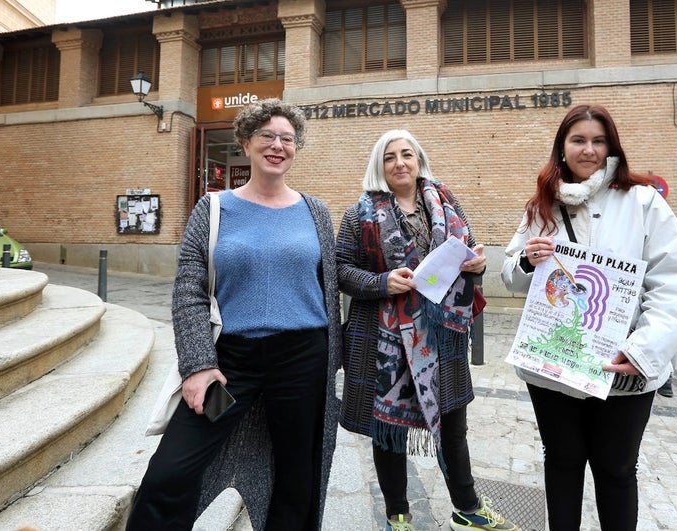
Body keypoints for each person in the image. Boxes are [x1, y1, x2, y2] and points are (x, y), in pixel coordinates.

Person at [126, 98, 341, 530]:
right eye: (267, 136)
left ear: (296, 147)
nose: (278, 145)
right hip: (230, 363)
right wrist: (198, 365)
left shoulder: (314, 211)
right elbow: (189, 288)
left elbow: (338, 276)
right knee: (172, 469)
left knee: (297, 473)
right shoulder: (215, 208)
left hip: (303, 358)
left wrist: (400, 278)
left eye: (287, 138)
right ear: (245, 143)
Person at [501, 104, 677, 531]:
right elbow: (510, 274)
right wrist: (527, 262)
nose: (587, 149)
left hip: (621, 367)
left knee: (616, 470)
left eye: (597, 140)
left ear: (611, 146)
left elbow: (676, 285)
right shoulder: (541, 206)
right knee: (562, 463)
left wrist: (644, 351)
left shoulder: (643, 201)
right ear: (562, 147)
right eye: (578, 140)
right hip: (554, 365)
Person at [336, 129, 518, 531]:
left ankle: (467, 509)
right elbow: (341, 270)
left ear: (418, 159)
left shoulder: (448, 205)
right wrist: (382, 283)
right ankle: (397, 514)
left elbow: (471, 251)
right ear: (378, 166)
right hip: (384, 340)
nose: (400, 163)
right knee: (389, 432)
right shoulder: (358, 214)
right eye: (389, 157)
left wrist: (477, 264)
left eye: (407, 154)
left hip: (442, 334)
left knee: (453, 425)